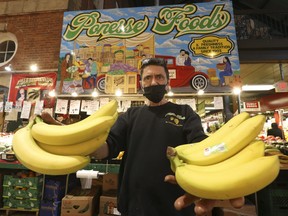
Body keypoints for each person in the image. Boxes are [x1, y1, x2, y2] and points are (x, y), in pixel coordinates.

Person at [42, 58, 244, 216]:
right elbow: (107, 147)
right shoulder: (131, 115)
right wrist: (72, 137)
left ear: (167, 82)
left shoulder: (185, 113)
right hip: (135, 205)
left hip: (176, 206)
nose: (153, 82)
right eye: (147, 78)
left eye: (159, 77)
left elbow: (201, 149)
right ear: (141, 83)